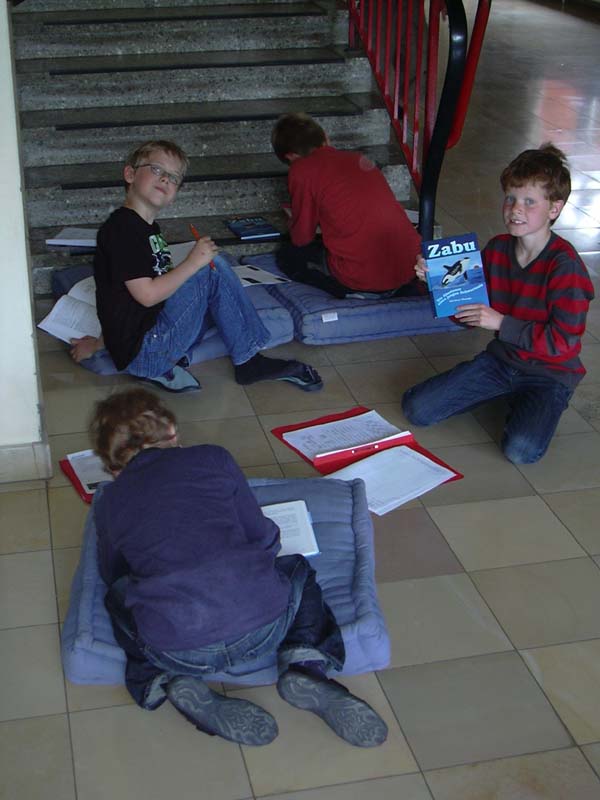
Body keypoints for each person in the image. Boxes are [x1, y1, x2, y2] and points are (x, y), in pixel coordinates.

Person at [90, 388, 388, 748]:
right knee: (298, 569)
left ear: (114, 469)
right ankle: (305, 663)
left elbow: (111, 572)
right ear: (172, 433)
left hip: (179, 648)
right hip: (265, 625)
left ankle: (161, 678)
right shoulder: (213, 458)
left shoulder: (109, 501)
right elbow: (263, 535)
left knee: (118, 597)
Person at [70, 139, 322, 393]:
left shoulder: (145, 228)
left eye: (174, 178)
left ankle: (241, 354)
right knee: (210, 267)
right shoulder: (123, 231)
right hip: (147, 351)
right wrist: (193, 263)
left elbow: (115, 300)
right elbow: (146, 296)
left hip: (148, 336)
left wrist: (99, 343)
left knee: (208, 273)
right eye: (156, 169)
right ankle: (249, 360)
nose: (165, 179)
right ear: (130, 174)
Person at [402, 143, 595, 465]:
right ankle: (504, 390)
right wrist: (435, 282)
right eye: (510, 198)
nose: (515, 209)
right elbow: (467, 314)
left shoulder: (566, 267)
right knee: (417, 409)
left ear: (554, 208)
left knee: (521, 451)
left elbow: (563, 343)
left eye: (529, 201)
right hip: (501, 360)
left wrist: (501, 323)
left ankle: (531, 399)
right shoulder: (497, 249)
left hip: (550, 374)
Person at [271, 112, 422, 298]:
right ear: (326, 138)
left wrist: (293, 221)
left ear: (291, 156)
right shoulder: (357, 159)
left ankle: (353, 293)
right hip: (411, 266)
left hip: (362, 277)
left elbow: (302, 237)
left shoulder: (301, 170)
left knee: (287, 255)